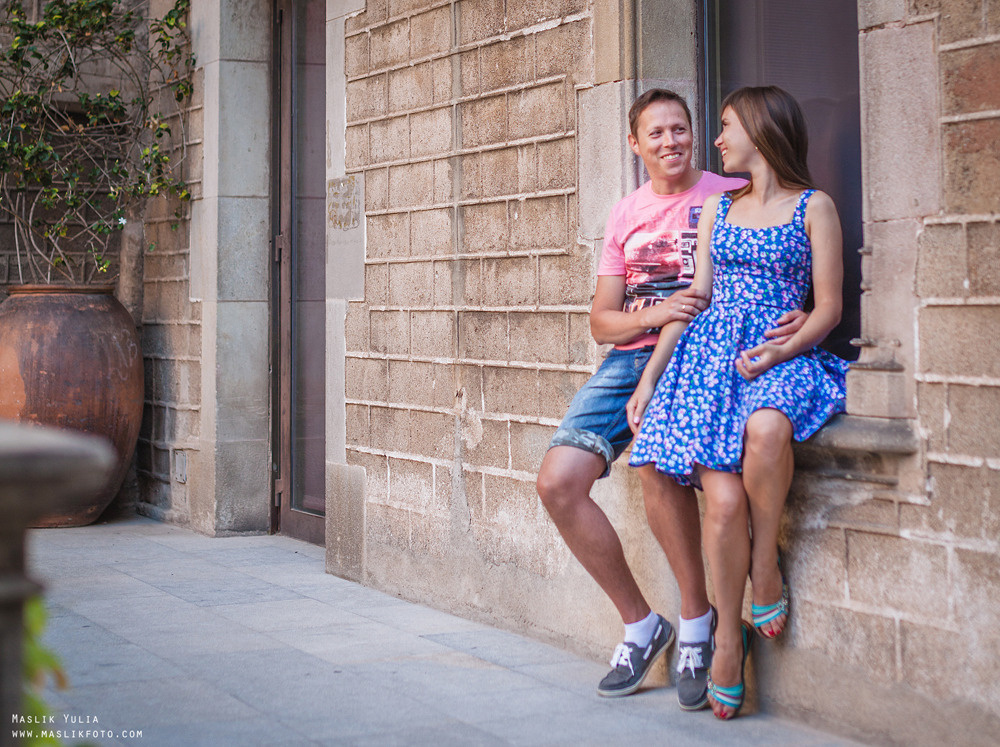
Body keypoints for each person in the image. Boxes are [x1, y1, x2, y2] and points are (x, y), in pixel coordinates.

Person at [535, 88, 806, 710]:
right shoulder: (626, 213)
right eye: (655, 133)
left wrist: (802, 316)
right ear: (635, 144)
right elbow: (602, 322)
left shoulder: (729, 190)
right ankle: (640, 625)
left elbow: (778, 253)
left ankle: (696, 622)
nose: (671, 141)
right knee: (557, 482)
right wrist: (652, 315)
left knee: (655, 463)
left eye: (680, 128)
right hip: (633, 357)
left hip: (705, 354)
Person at [626, 86, 849, 720]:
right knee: (722, 506)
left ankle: (764, 564)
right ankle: (728, 637)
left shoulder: (815, 207)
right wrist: (650, 377)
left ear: (760, 127)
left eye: (726, 126)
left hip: (782, 353)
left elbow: (829, 308)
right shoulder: (718, 210)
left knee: (768, 429)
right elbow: (697, 298)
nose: (716, 140)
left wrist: (783, 349)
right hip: (709, 363)